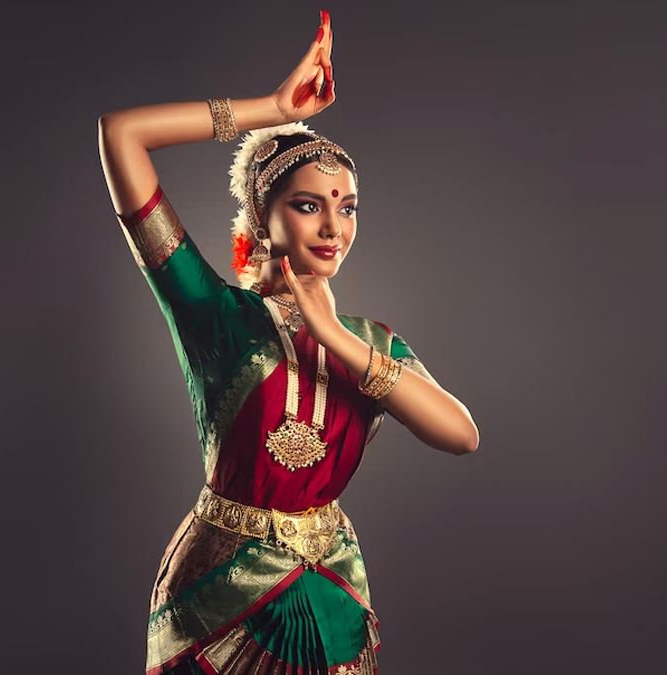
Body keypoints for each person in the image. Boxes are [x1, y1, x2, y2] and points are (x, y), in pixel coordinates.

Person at [98, 10, 478, 674]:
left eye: (348, 206)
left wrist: (334, 336)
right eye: (309, 205)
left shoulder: (369, 342)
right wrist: (269, 110)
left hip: (333, 595)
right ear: (263, 217)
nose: (334, 225)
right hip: (221, 600)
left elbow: (461, 433)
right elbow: (121, 135)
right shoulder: (213, 312)